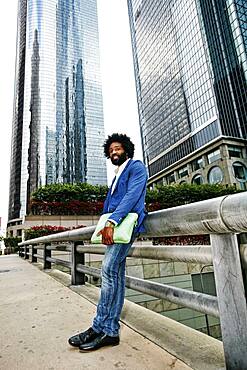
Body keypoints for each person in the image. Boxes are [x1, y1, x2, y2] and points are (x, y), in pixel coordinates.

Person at [68, 133, 148, 351]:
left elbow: (132, 196)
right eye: (111, 150)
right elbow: (109, 204)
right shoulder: (116, 175)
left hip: (124, 225)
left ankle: (99, 326)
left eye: (118, 149)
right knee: (116, 274)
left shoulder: (136, 167)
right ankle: (110, 330)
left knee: (108, 270)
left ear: (126, 150)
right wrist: (104, 227)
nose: (114, 152)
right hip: (113, 229)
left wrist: (111, 222)